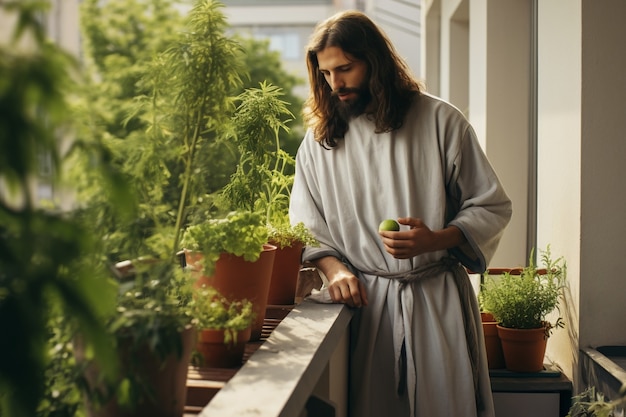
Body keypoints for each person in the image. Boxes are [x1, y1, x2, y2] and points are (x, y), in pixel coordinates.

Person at [288, 10, 512, 417]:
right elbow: (306, 226)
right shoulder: (320, 143)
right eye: (325, 74)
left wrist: (437, 238)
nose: (335, 84)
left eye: (345, 69)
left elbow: (491, 204)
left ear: (375, 61)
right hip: (368, 308)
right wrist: (335, 271)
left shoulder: (440, 121)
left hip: (435, 299)